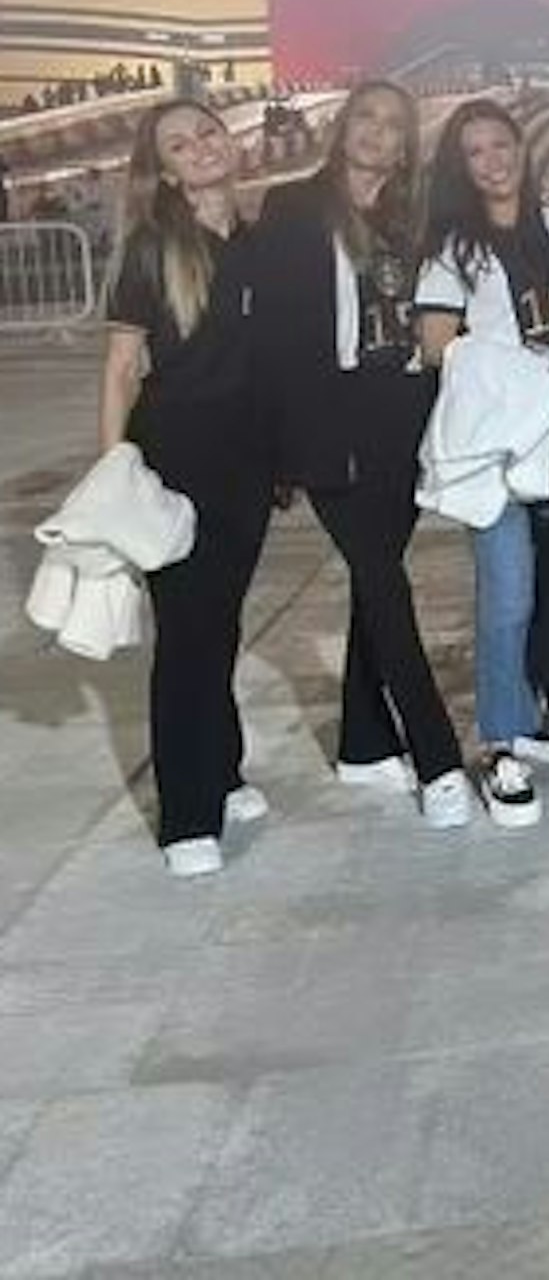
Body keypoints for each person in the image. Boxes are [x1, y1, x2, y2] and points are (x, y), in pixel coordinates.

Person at [251, 80, 476, 827]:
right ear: (343, 126)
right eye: (367, 118)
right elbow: (273, 336)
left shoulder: (416, 219)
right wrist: (278, 444)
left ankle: (362, 742)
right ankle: (436, 754)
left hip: (404, 411)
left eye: (394, 124)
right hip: (331, 413)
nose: (378, 132)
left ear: (408, 144)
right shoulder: (293, 207)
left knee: (374, 579)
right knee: (382, 577)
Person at [98, 101, 272, 877]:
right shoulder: (152, 247)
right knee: (186, 636)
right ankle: (187, 816)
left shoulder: (256, 239)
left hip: (248, 462)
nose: (200, 149)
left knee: (220, 624)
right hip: (176, 459)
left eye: (207, 133)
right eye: (179, 145)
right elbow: (120, 368)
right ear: (164, 170)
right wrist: (113, 469)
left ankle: (223, 769)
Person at [414, 98, 549, 827]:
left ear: (522, 145)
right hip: (500, 445)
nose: (492, 161)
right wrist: (521, 373)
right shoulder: (452, 247)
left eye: (500, 144)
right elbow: (435, 344)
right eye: (475, 151)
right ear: (459, 167)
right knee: (507, 593)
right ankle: (498, 742)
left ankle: (529, 709)